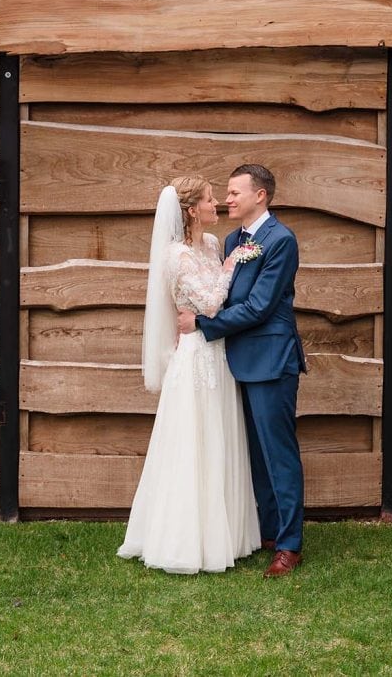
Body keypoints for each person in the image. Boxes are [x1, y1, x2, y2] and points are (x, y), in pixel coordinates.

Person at [118, 176, 261, 574]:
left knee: (221, 438)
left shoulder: (214, 245)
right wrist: (233, 265)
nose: (218, 204)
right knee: (192, 443)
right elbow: (213, 301)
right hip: (195, 357)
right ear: (190, 210)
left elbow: (209, 307)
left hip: (218, 354)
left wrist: (223, 267)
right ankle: (184, 540)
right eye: (210, 199)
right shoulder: (176, 256)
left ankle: (227, 536)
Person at [178, 164, 307, 578]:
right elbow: (220, 293)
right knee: (253, 453)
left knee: (278, 453)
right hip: (236, 361)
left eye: (235, 193)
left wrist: (201, 325)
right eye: (226, 194)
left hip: (271, 360)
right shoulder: (233, 240)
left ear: (260, 196)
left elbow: (260, 306)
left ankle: (289, 545)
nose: (226, 200)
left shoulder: (281, 240)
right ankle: (268, 531)